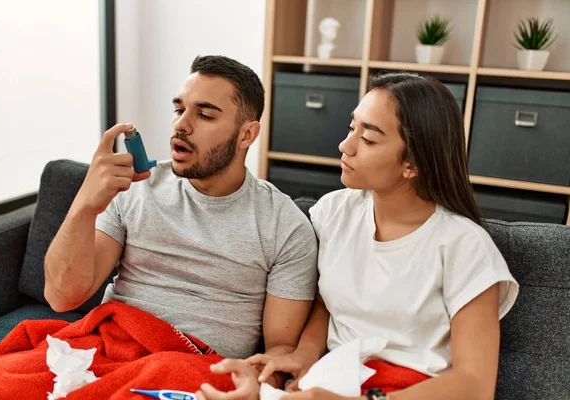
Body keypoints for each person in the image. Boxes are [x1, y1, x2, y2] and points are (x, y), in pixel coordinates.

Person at [197, 72, 519, 400]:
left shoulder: (465, 246)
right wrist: (302, 356)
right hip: (336, 380)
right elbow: (326, 303)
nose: (345, 146)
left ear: (413, 164)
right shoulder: (334, 213)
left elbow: (474, 384)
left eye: (368, 139)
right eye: (353, 128)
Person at [43, 55, 319, 388]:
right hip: (108, 350)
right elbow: (63, 298)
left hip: (194, 372)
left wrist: (258, 387)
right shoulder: (137, 187)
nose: (180, 125)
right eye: (179, 110)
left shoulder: (285, 226)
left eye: (204, 115)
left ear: (247, 134)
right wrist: (84, 206)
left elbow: (279, 352)